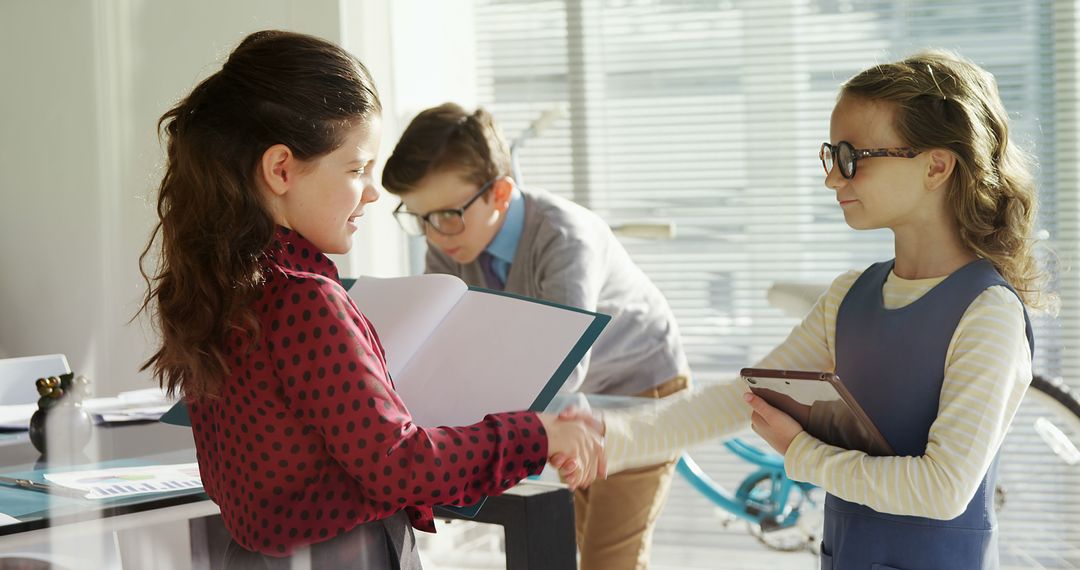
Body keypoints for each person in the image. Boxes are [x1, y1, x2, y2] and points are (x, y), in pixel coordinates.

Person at [137, 30, 603, 568]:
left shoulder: (218, 288)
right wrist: (538, 433)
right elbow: (405, 467)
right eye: (356, 170)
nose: (373, 192)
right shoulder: (304, 301)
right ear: (281, 169)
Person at [584, 50, 1049, 570]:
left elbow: (942, 489)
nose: (834, 179)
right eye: (831, 156)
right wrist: (604, 439)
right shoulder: (849, 296)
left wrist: (803, 454)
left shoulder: (988, 313)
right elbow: (742, 399)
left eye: (853, 158)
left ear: (936, 166)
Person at [381, 103, 691, 570]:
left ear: (501, 193)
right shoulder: (449, 241)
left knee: (610, 560)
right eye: (419, 217)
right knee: (579, 543)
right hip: (569, 404)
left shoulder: (564, 237)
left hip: (638, 389)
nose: (433, 234)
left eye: (445, 215)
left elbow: (564, 363)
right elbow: (445, 344)